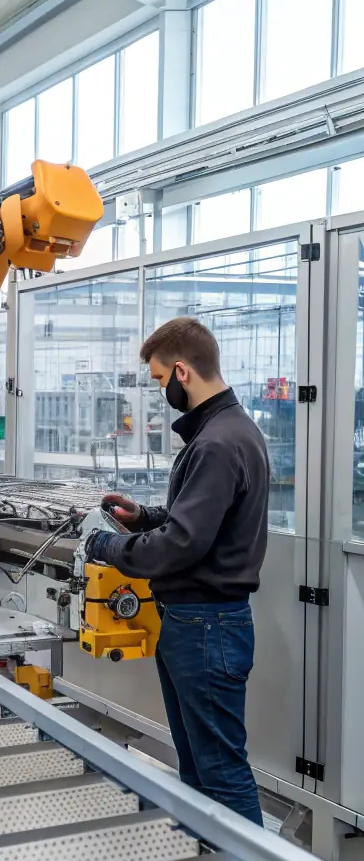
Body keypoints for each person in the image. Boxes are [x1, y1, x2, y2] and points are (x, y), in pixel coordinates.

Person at [84, 317, 269, 826]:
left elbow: (181, 546)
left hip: (205, 626)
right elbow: (200, 526)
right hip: (197, 624)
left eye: (158, 379)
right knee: (199, 769)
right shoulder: (231, 431)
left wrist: (106, 545)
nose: (159, 389)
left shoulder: (215, 444)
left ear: (181, 372)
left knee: (221, 773)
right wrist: (142, 519)